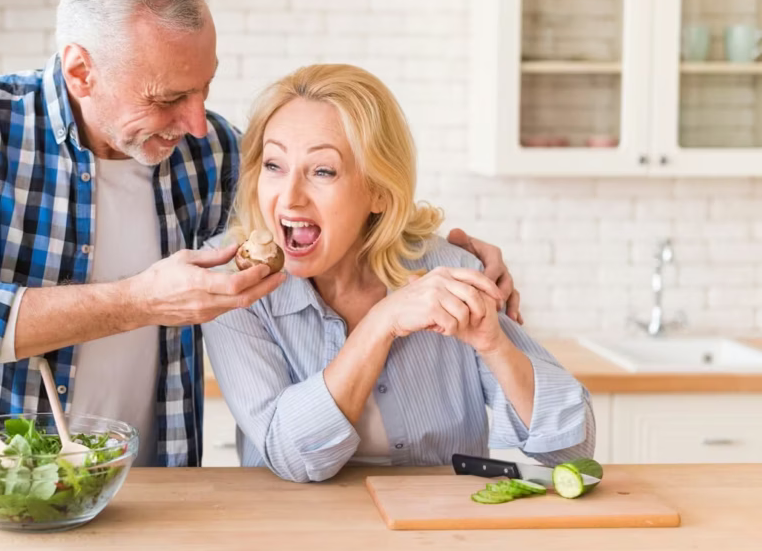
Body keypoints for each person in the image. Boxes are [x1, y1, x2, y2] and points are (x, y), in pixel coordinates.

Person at [0, 0, 519, 469]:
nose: (194, 121)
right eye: (167, 98)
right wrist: (138, 301)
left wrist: (447, 257)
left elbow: (321, 218)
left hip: (147, 488)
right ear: (82, 72)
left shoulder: (210, 151)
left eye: (204, 89)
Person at [203, 64, 594, 483]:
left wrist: (495, 346)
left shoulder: (449, 270)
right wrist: (381, 323)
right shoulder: (232, 284)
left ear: (378, 192)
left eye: (322, 171)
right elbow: (291, 456)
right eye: (274, 166)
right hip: (296, 534)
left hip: (438, 530)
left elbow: (571, 449)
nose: (290, 197)